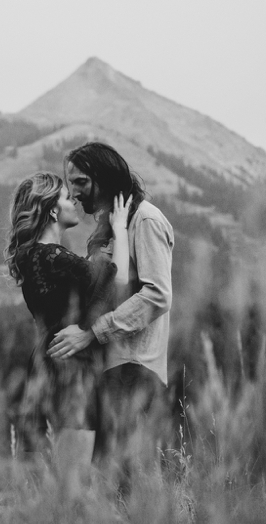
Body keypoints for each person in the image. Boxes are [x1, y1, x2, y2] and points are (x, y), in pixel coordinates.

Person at [48, 142, 175, 473]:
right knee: (111, 482)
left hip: (136, 369)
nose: (74, 193)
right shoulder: (108, 230)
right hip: (110, 372)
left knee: (131, 479)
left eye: (80, 182)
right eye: (70, 183)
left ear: (103, 177)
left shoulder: (146, 220)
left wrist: (91, 333)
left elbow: (158, 295)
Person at [6, 171, 132, 468]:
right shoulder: (55, 258)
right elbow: (119, 280)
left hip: (42, 365)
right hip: (73, 368)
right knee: (71, 480)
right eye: (66, 197)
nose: (73, 201)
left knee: (38, 478)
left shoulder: (29, 257)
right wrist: (120, 228)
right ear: (52, 210)